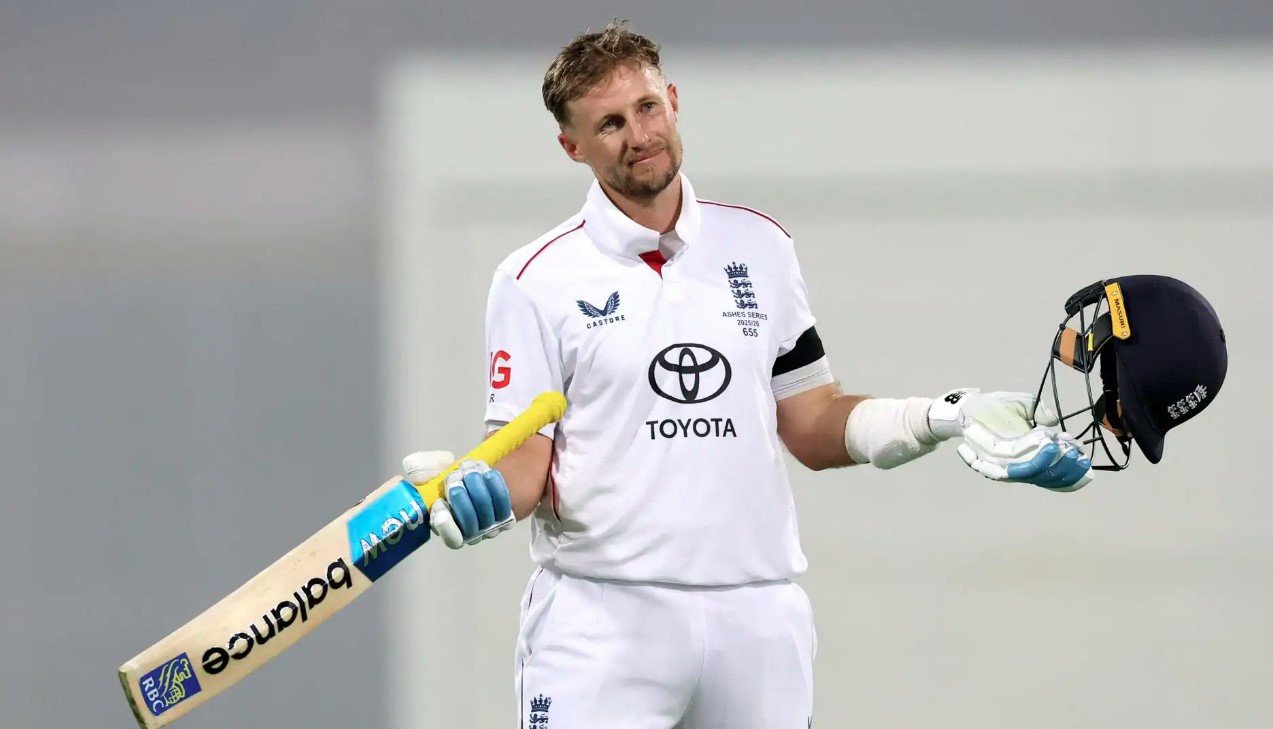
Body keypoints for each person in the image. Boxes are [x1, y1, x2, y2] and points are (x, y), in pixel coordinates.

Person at [396, 21, 1173, 728]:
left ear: (673, 100)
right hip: (601, 623)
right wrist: (481, 497)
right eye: (609, 124)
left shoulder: (758, 246)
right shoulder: (533, 278)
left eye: (646, 108)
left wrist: (944, 414)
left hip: (757, 619)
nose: (638, 135)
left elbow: (810, 420)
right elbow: (526, 467)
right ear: (572, 146)